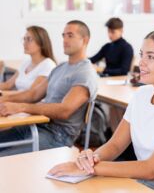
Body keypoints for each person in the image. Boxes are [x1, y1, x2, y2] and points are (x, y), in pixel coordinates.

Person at [48, 29, 154, 192]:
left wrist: (88, 168)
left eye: (151, 57)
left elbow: (152, 170)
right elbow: (116, 145)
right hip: (143, 182)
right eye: (142, 55)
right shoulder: (142, 94)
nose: (141, 63)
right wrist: (91, 159)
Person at [0, 20, 98, 156]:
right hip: (37, 126)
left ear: (85, 40)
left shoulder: (85, 73)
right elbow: (33, 94)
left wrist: (21, 107)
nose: (64, 40)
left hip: (58, 136)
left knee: (3, 158)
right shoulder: (60, 67)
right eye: (63, 35)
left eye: (70, 35)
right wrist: (5, 99)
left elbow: (65, 110)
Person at [0, 26, 56, 91]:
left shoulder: (48, 65)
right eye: (24, 39)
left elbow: (30, 94)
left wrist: (4, 96)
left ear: (41, 43)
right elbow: (7, 85)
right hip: (16, 100)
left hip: (29, 101)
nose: (24, 43)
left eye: (29, 39)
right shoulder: (25, 63)